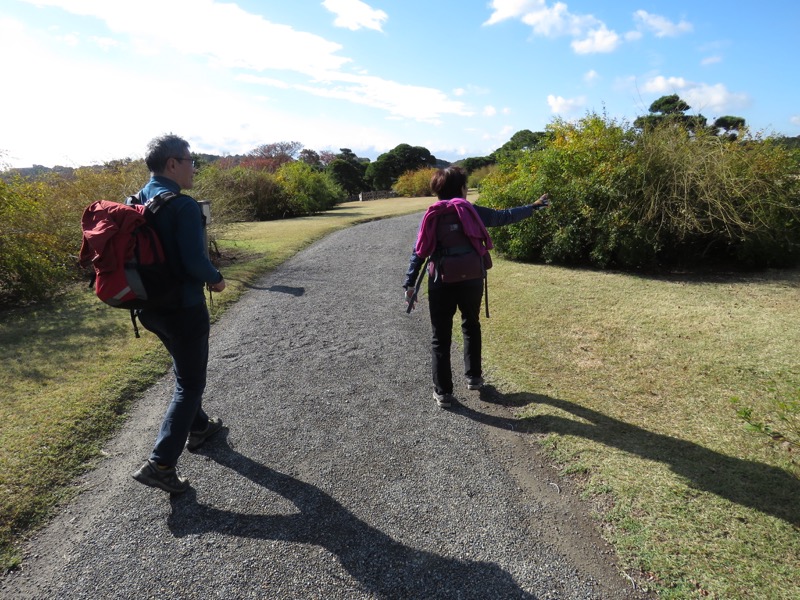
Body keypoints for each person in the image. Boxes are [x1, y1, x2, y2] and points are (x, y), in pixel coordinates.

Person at [403, 166, 550, 409]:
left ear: (438, 190)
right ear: (461, 188)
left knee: (440, 337)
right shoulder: (472, 211)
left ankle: (443, 393)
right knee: (471, 324)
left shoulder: (432, 215)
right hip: (472, 278)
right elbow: (504, 216)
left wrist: (410, 283)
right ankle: (473, 377)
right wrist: (534, 207)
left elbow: (419, 251)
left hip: (441, 281)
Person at [131, 134, 226, 494]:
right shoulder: (183, 206)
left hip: (148, 309)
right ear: (172, 163)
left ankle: (199, 427)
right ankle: (161, 464)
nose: (193, 167)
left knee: (183, 371)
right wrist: (216, 280)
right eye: (189, 160)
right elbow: (194, 261)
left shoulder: (138, 199)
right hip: (183, 308)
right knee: (190, 384)